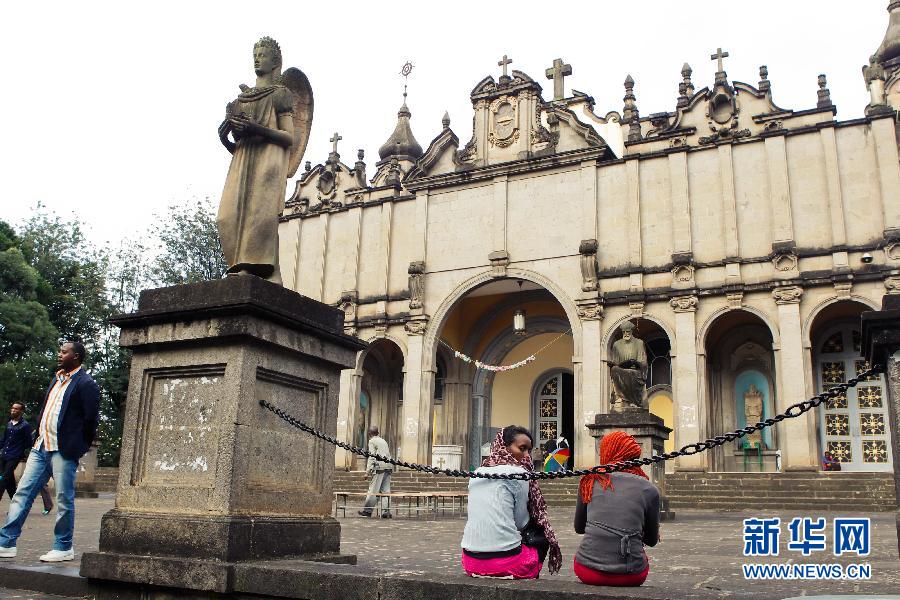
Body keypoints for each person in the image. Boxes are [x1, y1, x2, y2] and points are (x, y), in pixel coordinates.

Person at [0, 341, 100, 562]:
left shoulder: (86, 383)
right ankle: (6, 542)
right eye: (59, 351)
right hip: (40, 447)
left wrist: (78, 447)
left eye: (64, 352)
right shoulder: (57, 379)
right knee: (21, 495)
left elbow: (91, 419)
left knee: (64, 499)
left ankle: (63, 547)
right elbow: (48, 411)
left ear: (76, 356)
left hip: (63, 450)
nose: (59, 354)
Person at [460, 426, 562, 579]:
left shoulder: (476, 472)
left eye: (529, 450)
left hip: (470, 562)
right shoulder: (519, 474)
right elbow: (521, 522)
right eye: (522, 448)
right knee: (541, 532)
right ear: (504, 446)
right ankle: (530, 574)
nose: (527, 455)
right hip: (507, 563)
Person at [573, 431, 659, 586]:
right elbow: (651, 541)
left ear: (607, 452)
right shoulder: (649, 488)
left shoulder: (590, 480)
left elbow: (579, 528)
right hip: (631, 575)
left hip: (587, 570)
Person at [358, 426, 393, 518]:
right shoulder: (383, 441)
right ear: (377, 433)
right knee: (386, 490)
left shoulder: (372, 441)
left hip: (379, 467)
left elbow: (372, 457)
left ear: (369, 433)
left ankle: (367, 511)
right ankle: (386, 512)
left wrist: (367, 472)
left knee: (373, 489)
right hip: (388, 466)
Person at [0, 404, 33, 501]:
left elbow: (28, 442)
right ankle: (16, 505)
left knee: (4, 479)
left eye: (16, 409)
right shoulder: (9, 423)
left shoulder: (25, 426)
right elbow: (4, 440)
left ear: (21, 411)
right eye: (12, 408)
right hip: (4, 455)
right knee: (10, 482)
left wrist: (21, 453)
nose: (13, 410)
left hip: (14, 457)